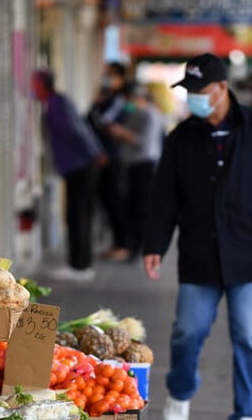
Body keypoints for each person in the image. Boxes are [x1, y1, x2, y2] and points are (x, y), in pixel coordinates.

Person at [142, 53, 252, 420]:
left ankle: (248, 413)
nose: (194, 97)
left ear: (223, 89)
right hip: (200, 252)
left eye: (200, 90)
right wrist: (155, 244)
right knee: (186, 332)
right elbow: (164, 197)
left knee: (249, 336)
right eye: (189, 90)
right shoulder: (182, 137)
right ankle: (179, 391)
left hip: (249, 251)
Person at [31, 69, 106, 282]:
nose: (31, 89)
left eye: (34, 84)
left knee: (77, 215)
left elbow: (77, 131)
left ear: (42, 85)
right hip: (78, 166)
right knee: (80, 215)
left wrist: (95, 152)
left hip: (80, 167)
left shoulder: (56, 105)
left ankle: (79, 265)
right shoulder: (57, 102)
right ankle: (81, 264)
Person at [106, 81, 166, 259]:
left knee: (139, 208)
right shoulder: (138, 113)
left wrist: (122, 133)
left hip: (144, 165)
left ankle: (138, 247)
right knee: (133, 207)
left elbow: (143, 141)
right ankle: (134, 245)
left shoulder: (148, 114)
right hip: (135, 164)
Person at [87, 62, 131, 261]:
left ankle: (122, 244)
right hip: (99, 157)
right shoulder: (105, 98)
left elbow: (102, 120)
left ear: (121, 78)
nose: (107, 78)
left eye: (111, 75)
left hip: (112, 158)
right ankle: (116, 243)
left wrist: (97, 105)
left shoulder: (118, 100)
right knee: (105, 201)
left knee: (114, 201)